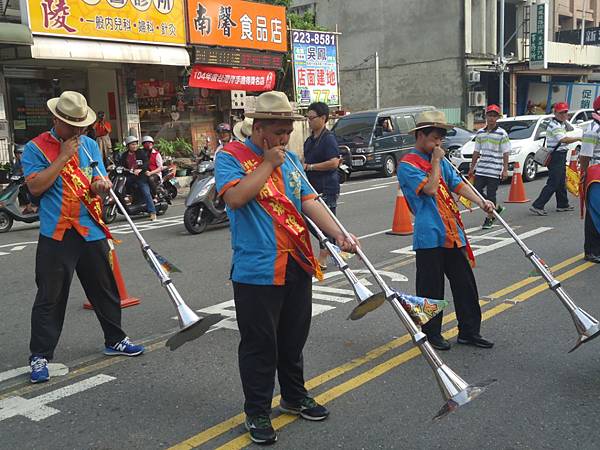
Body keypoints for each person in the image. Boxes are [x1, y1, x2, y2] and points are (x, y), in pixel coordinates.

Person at [215, 91, 358, 445]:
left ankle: (294, 396)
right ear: (259, 129)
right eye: (278, 131)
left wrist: (338, 233)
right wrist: (266, 163)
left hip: (296, 262)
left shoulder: (291, 161)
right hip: (257, 270)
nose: (283, 138)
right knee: (259, 344)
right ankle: (258, 410)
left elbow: (309, 201)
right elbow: (234, 198)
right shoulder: (230, 157)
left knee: (293, 338)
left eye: (286, 131)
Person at [21, 91, 144, 384]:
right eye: (70, 125)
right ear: (56, 120)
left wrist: (100, 185)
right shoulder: (35, 148)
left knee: (105, 288)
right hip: (58, 231)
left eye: (80, 125)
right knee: (50, 295)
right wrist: (63, 156)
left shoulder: (89, 145)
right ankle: (40, 355)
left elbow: (96, 180)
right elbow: (36, 188)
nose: (77, 131)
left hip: (90, 227)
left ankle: (115, 338)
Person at [397, 110, 495, 351]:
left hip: (452, 231)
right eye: (434, 138)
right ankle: (431, 333)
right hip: (429, 233)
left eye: (441, 139)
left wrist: (481, 201)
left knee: (465, 283)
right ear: (420, 135)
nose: (438, 143)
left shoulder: (439, 159)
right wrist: (437, 161)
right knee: (431, 289)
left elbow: (457, 183)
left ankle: (470, 331)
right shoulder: (407, 164)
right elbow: (430, 189)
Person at [303, 102, 341, 269]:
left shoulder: (328, 139)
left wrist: (311, 167)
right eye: (308, 118)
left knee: (325, 222)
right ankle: (335, 247)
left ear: (323, 118)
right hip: (312, 187)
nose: (309, 121)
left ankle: (324, 256)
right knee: (311, 222)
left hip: (327, 187)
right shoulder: (309, 140)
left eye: (312, 118)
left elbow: (334, 162)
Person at [530, 102, 581, 216]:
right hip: (556, 156)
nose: (564, 115)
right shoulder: (555, 125)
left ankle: (563, 204)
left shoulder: (561, 124)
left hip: (560, 155)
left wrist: (566, 121)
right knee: (553, 182)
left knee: (561, 181)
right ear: (555, 113)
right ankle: (538, 205)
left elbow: (570, 128)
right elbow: (563, 139)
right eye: (561, 112)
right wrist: (578, 138)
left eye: (565, 112)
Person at [469, 104, 510, 229]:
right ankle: (496, 208)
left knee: (491, 194)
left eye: (494, 116)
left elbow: (506, 152)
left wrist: (505, 169)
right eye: (489, 115)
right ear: (485, 116)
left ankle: (489, 218)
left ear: (497, 118)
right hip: (482, 168)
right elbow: (476, 151)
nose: (491, 118)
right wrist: (472, 167)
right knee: (477, 191)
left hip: (495, 169)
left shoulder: (502, 133)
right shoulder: (480, 133)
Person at [579, 96, 600, 263]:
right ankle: (591, 250)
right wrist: (584, 173)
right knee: (594, 214)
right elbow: (585, 155)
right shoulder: (592, 129)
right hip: (595, 175)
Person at [118, 135, 157, 221]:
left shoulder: (141, 152)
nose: (134, 146)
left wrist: (140, 169)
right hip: (129, 177)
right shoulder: (124, 155)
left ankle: (152, 212)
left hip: (141, 177)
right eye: (132, 144)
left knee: (145, 192)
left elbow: (146, 162)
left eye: (135, 144)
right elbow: (120, 164)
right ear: (128, 146)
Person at [11, 145, 37, 214]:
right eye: (17, 153)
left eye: (21, 153)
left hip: (33, 181)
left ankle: (31, 207)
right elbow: (15, 172)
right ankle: (28, 207)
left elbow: (33, 172)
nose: (19, 155)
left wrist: (27, 178)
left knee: (24, 189)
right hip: (23, 182)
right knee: (19, 189)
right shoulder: (17, 163)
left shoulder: (29, 161)